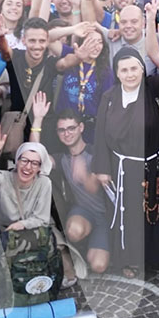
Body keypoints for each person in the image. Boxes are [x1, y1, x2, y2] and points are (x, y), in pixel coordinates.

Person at [92, 18, 159, 280]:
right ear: (117, 73)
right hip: (124, 167)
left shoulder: (154, 88)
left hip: (157, 163)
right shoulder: (109, 97)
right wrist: (102, 169)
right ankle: (130, 257)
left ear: (142, 69)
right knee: (129, 214)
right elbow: (100, 135)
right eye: (124, 70)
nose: (130, 74)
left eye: (134, 68)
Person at [30, 102, 111, 275]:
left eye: (71, 128)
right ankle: (77, 247)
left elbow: (93, 188)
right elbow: (34, 156)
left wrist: (84, 176)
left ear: (81, 127)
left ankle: (96, 243)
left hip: (106, 218)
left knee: (98, 266)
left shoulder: (95, 153)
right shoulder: (62, 158)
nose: (67, 133)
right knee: (74, 231)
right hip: (82, 212)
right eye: (62, 130)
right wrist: (37, 119)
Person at [54, 27, 114, 141]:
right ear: (81, 42)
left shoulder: (106, 72)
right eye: (91, 41)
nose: (96, 46)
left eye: (100, 42)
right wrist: (73, 29)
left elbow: (107, 107)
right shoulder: (71, 56)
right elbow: (48, 39)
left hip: (90, 130)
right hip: (64, 127)